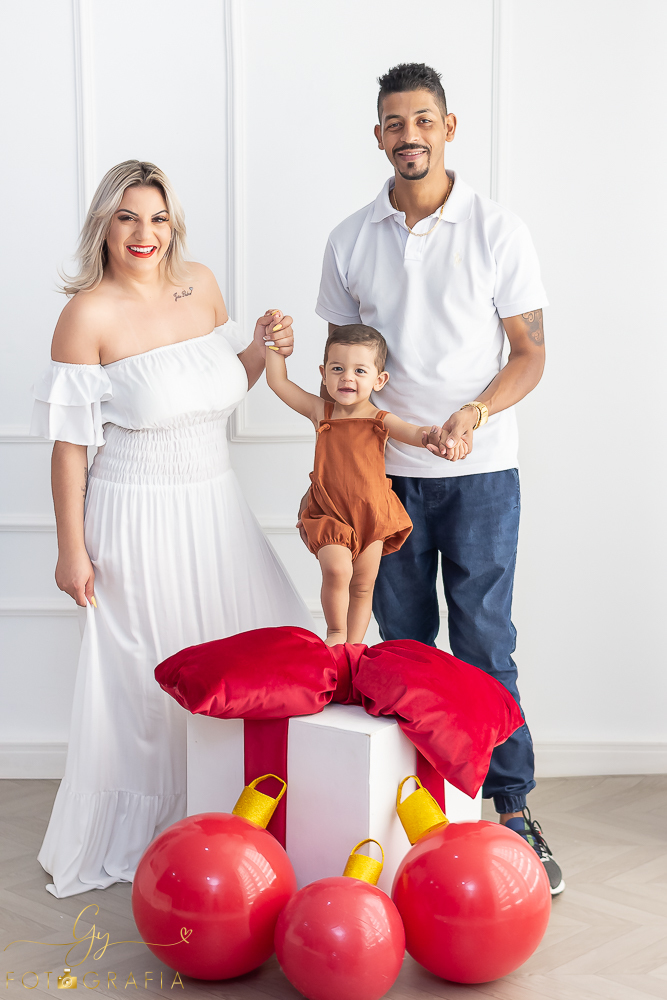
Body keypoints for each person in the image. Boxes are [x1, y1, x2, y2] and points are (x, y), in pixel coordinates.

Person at [30, 159, 312, 898]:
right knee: (145, 683)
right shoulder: (86, 314)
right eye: (127, 217)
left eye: (156, 218)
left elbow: (214, 385)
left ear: (173, 225)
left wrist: (260, 346)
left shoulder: (204, 286)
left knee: (264, 634)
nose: (143, 233)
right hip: (134, 513)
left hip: (213, 502)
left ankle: (240, 824)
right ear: (105, 225)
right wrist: (71, 550)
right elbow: (69, 447)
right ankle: (155, 839)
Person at [313, 63, 564, 894]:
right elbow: (340, 375)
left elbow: (528, 355)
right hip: (383, 482)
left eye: (423, 120)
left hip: (482, 473)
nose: (408, 135)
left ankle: (511, 805)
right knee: (407, 649)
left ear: (448, 128)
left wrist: (474, 413)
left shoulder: (498, 230)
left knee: (486, 642)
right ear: (377, 135)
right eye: (394, 123)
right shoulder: (349, 239)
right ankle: (421, 810)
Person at [266, 323, 451, 645]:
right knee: (337, 570)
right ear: (324, 374)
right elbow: (277, 381)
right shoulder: (321, 412)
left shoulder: (381, 420)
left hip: (372, 514)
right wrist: (273, 347)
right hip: (330, 512)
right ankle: (335, 636)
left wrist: (433, 437)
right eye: (337, 369)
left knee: (364, 585)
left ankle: (353, 648)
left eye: (359, 370)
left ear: (379, 380)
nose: (347, 377)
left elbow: (413, 433)